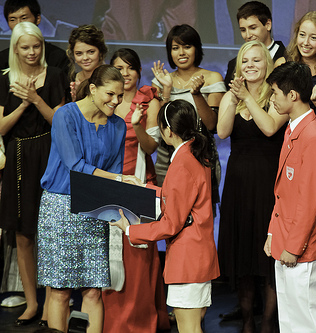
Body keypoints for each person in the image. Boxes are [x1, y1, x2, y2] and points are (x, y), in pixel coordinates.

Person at [36, 65, 138, 333]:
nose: (116, 101)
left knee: (93, 290)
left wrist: (123, 208)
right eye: (111, 94)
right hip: (60, 208)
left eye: (120, 96)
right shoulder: (65, 116)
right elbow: (74, 165)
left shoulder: (116, 125)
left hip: (95, 207)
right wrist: (118, 180)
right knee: (60, 290)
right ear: (93, 89)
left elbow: (116, 169)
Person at [110, 99, 220, 333]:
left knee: (189, 328)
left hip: (188, 259)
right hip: (199, 255)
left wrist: (130, 230)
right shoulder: (195, 154)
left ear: (168, 131)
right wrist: (142, 188)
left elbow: (172, 223)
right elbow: (180, 198)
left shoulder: (182, 163)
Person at [0, 21, 65, 326]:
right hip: (18, 156)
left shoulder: (54, 76)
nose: (31, 52)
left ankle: (56, 298)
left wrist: (36, 99)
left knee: (51, 230)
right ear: (15, 48)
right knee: (24, 233)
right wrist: (23, 102)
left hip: (49, 152)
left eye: (36, 46)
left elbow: (61, 123)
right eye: (25, 47)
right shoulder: (5, 79)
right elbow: (1, 128)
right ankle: (31, 302)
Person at [217, 40, 284, 333]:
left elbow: (270, 127)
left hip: (268, 179)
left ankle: (268, 322)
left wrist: (250, 98)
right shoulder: (233, 97)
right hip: (238, 180)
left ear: (267, 65)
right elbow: (222, 132)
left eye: (257, 60)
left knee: (266, 255)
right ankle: (246, 321)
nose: (250, 65)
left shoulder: (277, 96)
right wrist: (234, 98)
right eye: (245, 61)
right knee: (242, 252)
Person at [102, 48, 170, 332]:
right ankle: (114, 320)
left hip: (139, 185)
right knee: (111, 258)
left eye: (131, 67)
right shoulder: (105, 102)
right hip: (106, 185)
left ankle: (141, 321)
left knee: (139, 256)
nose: (126, 72)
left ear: (138, 71)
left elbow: (152, 148)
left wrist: (136, 125)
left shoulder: (148, 101)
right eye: (119, 67)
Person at [263, 61, 316, 333]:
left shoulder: (314, 136)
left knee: (309, 317)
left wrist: (294, 245)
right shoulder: (293, 129)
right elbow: (283, 193)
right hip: (286, 238)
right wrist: (272, 233)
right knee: (291, 319)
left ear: (292, 95)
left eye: (275, 92)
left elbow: (311, 200)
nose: (271, 98)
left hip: (304, 247)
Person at [276, 10, 316, 253]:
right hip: (291, 147)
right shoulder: (284, 64)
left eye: (313, 37)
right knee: (290, 211)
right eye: (302, 35)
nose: (306, 42)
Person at [151, 24, 225, 192]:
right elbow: (160, 126)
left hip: (202, 157)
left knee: (200, 214)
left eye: (187, 46)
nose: (181, 53)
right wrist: (167, 90)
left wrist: (197, 94)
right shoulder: (161, 81)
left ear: (196, 49)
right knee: (168, 212)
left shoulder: (213, 78)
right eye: (175, 48)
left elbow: (212, 125)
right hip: (166, 158)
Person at [224, 1, 286, 89]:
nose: (248, 35)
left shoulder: (289, 58)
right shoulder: (234, 64)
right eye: (243, 30)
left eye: (253, 28)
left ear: (268, 25)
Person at [0, 0, 69, 75]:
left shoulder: (58, 58)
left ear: (38, 19)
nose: (19, 24)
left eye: (24, 18)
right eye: (13, 20)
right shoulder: (2, 59)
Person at [66, 25, 107, 101]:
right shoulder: (72, 80)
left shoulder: (111, 78)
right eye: (79, 53)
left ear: (100, 52)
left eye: (91, 52)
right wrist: (74, 100)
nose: (85, 58)